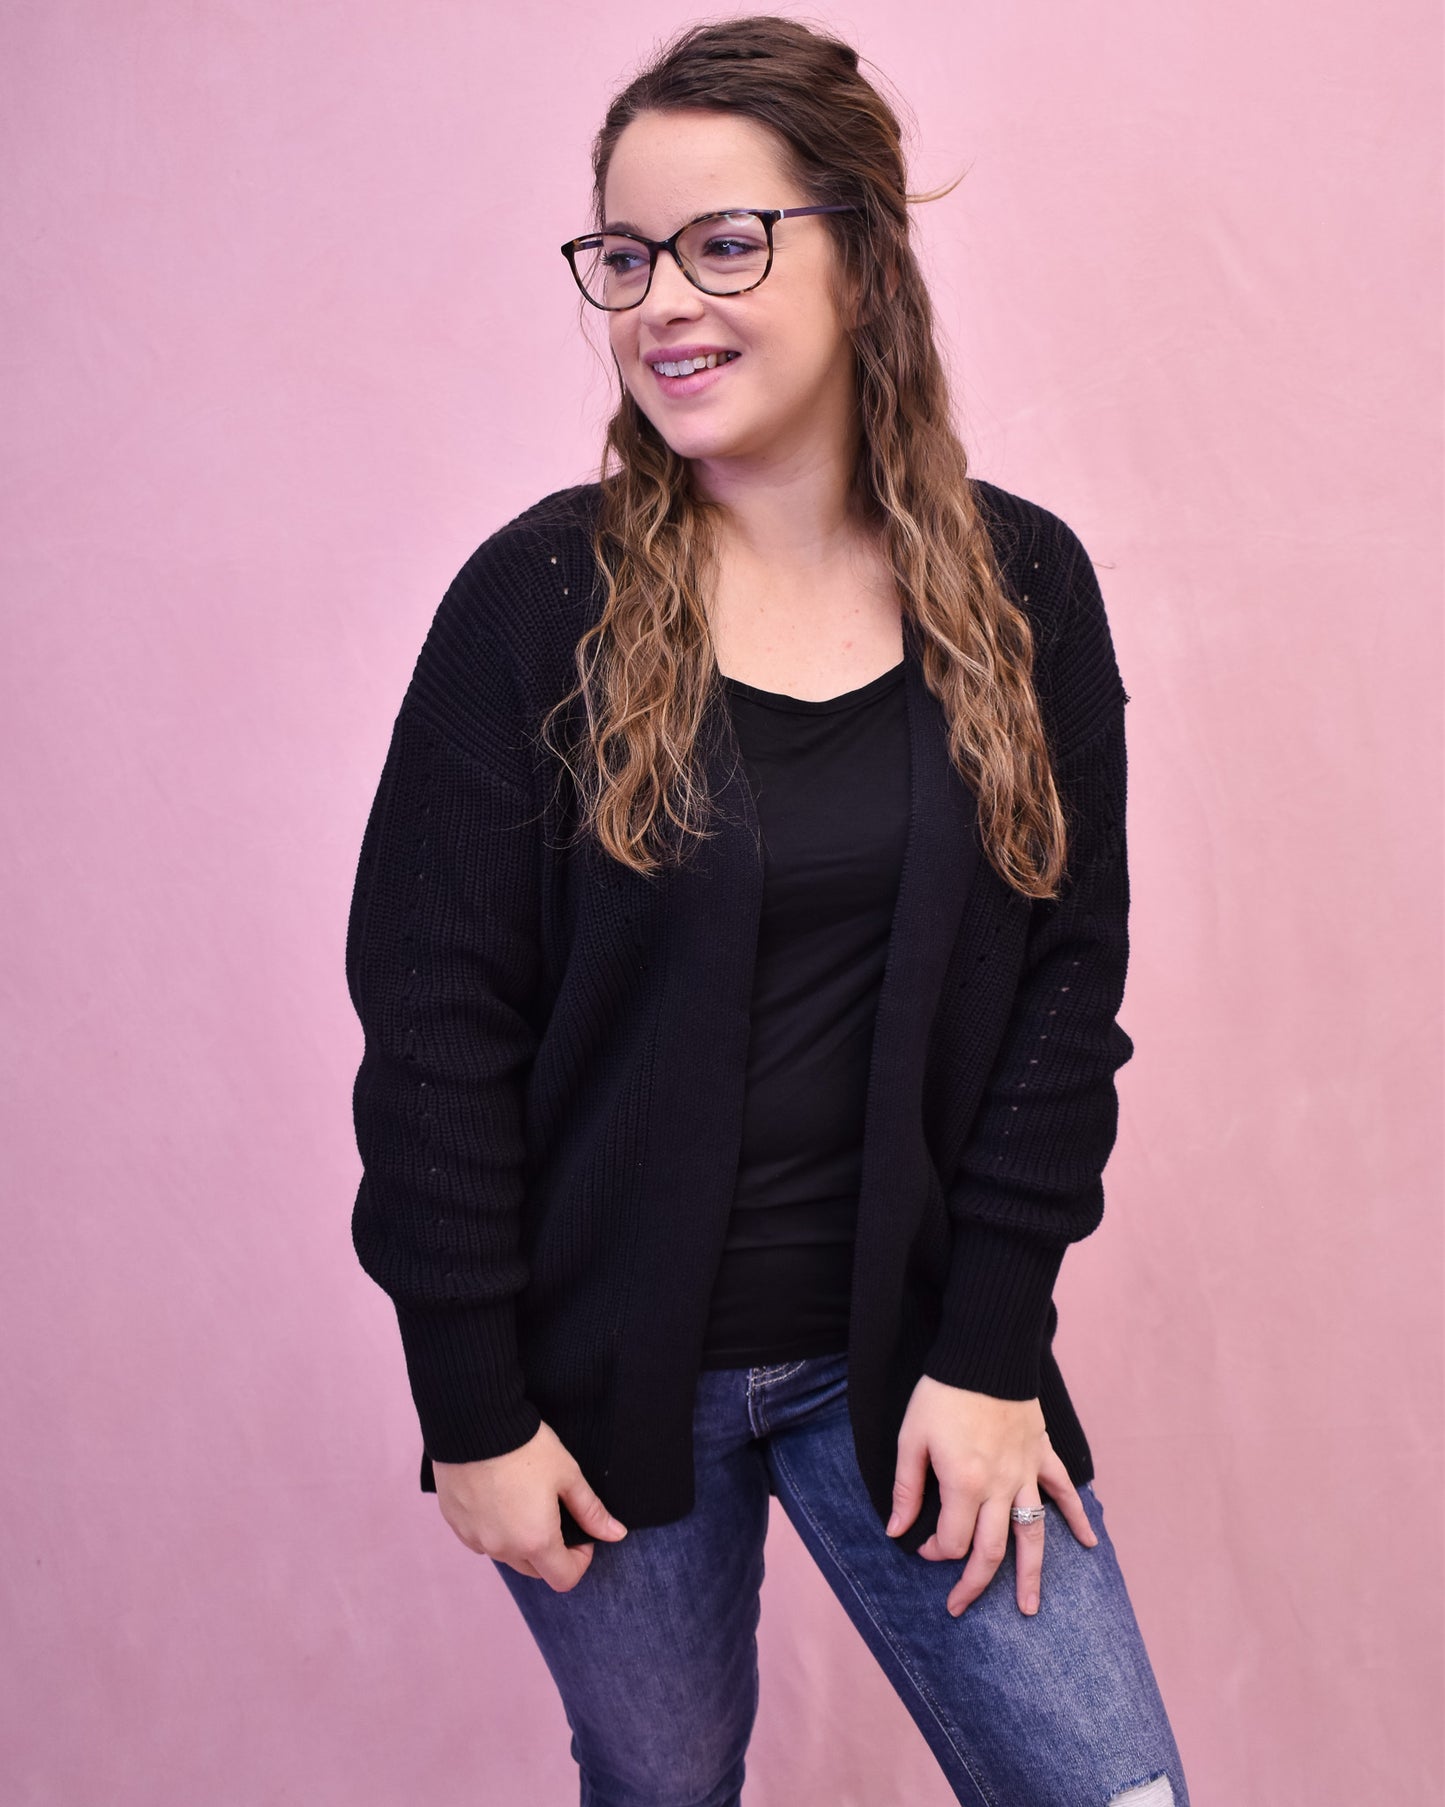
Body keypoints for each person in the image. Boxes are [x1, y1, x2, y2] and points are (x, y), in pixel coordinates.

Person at [346, 16, 1190, 1805]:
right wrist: (470, 1407)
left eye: (727, 242)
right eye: (625, 254)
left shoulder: (1025, 585)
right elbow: (432, 1026)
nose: (665, 301)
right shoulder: (533, 604)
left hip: (911, 1370)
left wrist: (989, 1351)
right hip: (594, 1393)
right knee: (662, 1788)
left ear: (865, 256)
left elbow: (1066, 983)